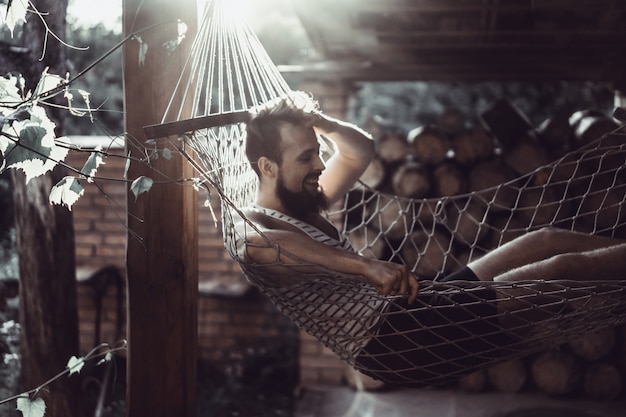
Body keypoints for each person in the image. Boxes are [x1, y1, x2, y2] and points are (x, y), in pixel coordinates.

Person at [236, 91, 626, 386]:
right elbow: (260, 246)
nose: (320, 165)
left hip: (420, 309)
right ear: (268, 167)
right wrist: (364, 264)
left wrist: (322, 123)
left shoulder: (305, 200)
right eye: (306, 158)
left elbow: (359, 153)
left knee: (545, 240)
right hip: (396, 343)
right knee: (563, 270)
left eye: (318, 154)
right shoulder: (253, 223)